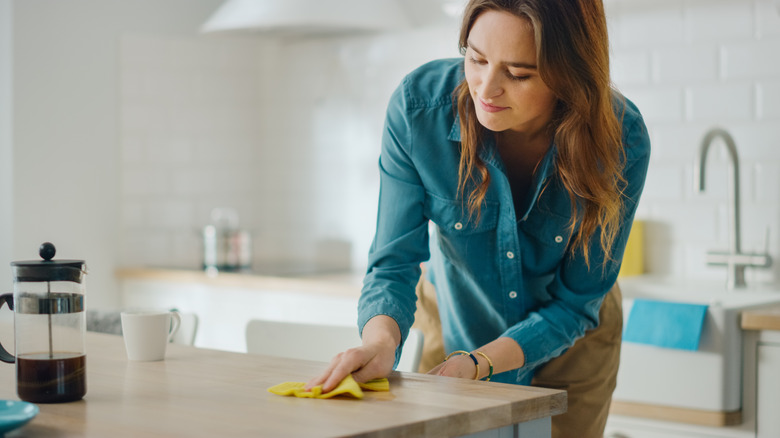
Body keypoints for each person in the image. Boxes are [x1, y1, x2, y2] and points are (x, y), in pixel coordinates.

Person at [307, 0, 650, 436]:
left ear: (571, 73)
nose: (487, 89)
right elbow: (394, 264)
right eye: (476, 58)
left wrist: (482, 363)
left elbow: (574, 303)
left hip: (572, 338)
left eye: (519, 73)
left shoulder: (621, 138)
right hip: (454, 318)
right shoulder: (418, 111)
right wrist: (379, 343)